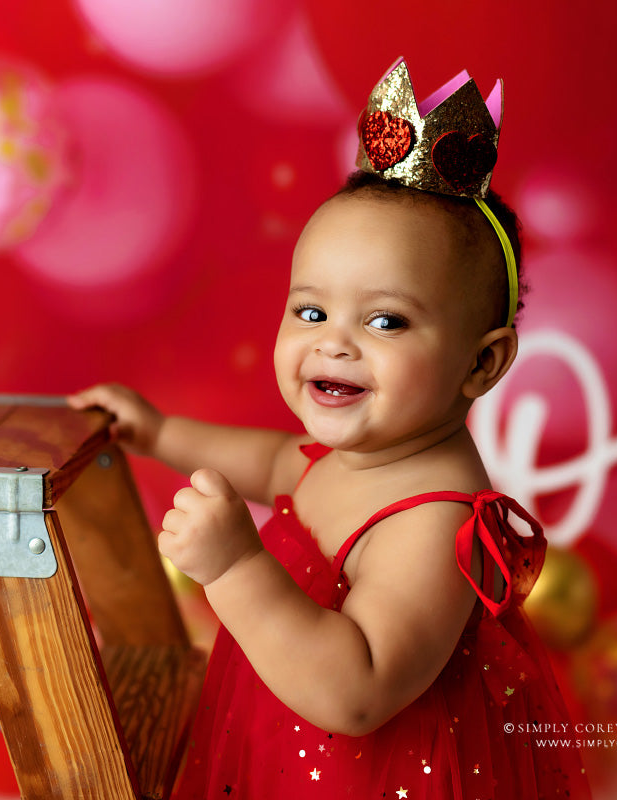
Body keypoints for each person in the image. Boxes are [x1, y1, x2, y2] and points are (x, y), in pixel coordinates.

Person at [69, 57, 590, 799]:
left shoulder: (435, 525)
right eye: (310, 311)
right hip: (285, 750)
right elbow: (280, 462)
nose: (333, 342)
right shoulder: (364, 451)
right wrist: (158, 434)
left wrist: (234, 569)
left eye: (386, 320)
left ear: (481, 365)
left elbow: (357, 693)